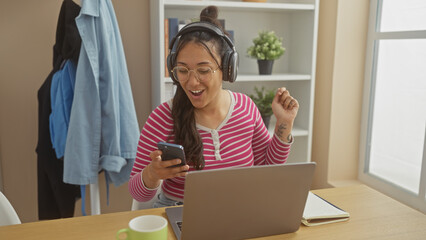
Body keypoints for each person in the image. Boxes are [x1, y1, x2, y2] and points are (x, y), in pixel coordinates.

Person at [128, 6, 299, 208]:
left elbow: (268, 169)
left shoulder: (246, 107)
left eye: (203, 70)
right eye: (183, 70)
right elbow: (138, 193)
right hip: (182, 212)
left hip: (239, 210)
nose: (192, 82)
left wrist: (284, 123)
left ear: (226, 69)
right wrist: (151, 174)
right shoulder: (163, 117)